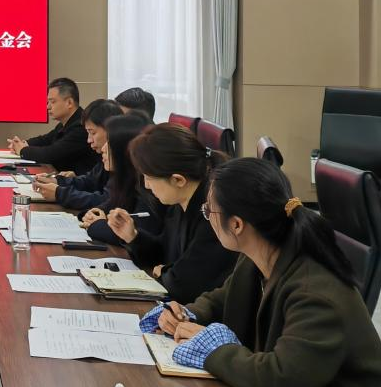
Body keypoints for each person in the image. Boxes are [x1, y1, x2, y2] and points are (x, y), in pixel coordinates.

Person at [142, 158, 381, 387]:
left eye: (209, 211)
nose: (207, 218)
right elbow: (223, 298)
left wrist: (210, 349)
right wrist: (187, 314)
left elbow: (281, 380)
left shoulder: (314, 293)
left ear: (236, 224)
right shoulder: (261, 257)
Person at [106, 123, 238, 303]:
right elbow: (164, 251)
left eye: (149, 177)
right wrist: (133, 236)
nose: (146, 185)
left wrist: (165, 271)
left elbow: (184, 285)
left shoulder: (212, 213)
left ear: (178, 180)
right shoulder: (181, 202)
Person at [79, 112, 156, 245]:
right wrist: (91, 215)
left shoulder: (148, 187)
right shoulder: (124, 179)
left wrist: (97, 225)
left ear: (124, 149)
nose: (103, 149)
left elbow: (132, 234)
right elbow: (108, 206)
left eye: (109, 143)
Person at [32, 98, 121, 207]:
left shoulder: (123, 159)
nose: (89, 140)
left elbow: (106, 201)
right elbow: (89, 181)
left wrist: (59, 194)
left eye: (93, 133)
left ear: (111, 130)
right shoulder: (104, 156)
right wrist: (56, 181)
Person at [6, 78, 99, 174]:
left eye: (53, 102)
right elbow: (45, 140)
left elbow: (51, 154)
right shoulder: (67, 123)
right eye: (48, 102)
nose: (48, 107)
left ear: (69, 103)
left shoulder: (81, 126)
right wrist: (23, 143)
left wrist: (22, 150)